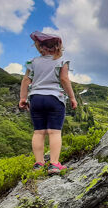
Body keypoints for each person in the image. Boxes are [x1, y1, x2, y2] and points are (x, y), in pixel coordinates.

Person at [19, 31, 77, 175]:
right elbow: (64, 80)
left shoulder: (32, 62)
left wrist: (23, 98)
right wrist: (72, 98)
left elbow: (26, 80)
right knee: (54, 132)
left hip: (36, 98)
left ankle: (39, 163)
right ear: (58, 47)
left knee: (38, 132)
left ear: (40, 47)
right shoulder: (61, 62)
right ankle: (54, 164)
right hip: (54, 99)